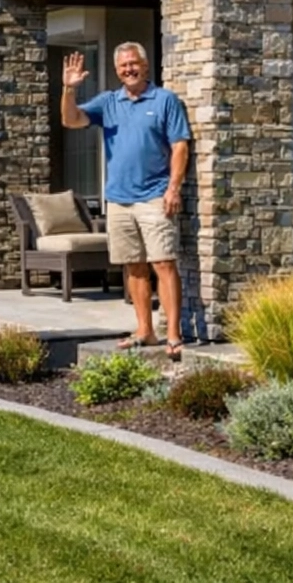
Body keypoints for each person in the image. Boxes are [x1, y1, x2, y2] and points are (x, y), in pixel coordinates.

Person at [60, 42, 191, 359]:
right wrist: (68, 90)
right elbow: (71, 120)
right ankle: (145, 331)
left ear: (145, 66)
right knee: (134, 267)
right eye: (123, 66)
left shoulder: (165, 100)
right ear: (117, 70)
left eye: (134, 64)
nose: (129, 70)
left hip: (155, 196)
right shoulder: (109, 102)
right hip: (119, 199)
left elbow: (180, 147)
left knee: (163, 263)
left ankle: (172, 333)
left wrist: (173, 188)